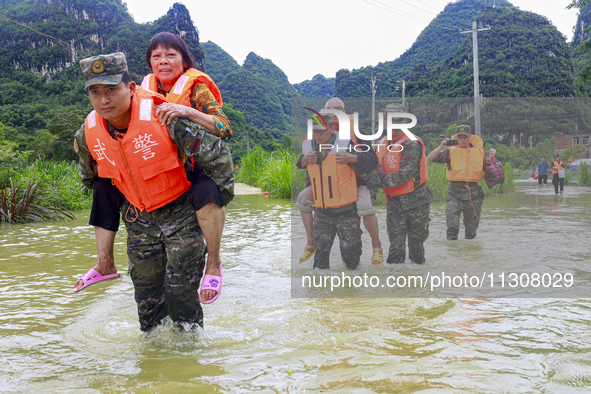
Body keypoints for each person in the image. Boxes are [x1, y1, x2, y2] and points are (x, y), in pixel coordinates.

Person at [73, 52, 234, 331]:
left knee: (180, 296)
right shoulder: (86, 134)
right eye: (95, 92)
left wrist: (209, 201)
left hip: (181, 214)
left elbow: (219, 159)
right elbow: (91, 177)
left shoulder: (167, 119)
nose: (104, 100)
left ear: (131, 88)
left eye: (112, 89)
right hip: (139, 221)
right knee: (147, 302)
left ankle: (188, 362)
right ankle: (153, 363)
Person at [295, 97, 383, 266]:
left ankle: (376, 246)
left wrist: (353, 158)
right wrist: (305, 159)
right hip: (325, 186)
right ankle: (310, 242)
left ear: (343, 112)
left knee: (365, 206)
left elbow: (372, 159)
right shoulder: (314, 137)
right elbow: (302, 163)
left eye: (338, 110)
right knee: (302, 198)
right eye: (331, 110)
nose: (335, 113)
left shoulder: (354, 132)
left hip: (354, 181)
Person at [366, 104, 432, 264]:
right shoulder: (381, 144)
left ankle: (416, 283)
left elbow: (404, 175)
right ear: (384, 123)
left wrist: (378, 182)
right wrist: (372, 194)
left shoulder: (412, 144)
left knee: (416, 248)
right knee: (396, 247)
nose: (394, 128)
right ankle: (395, 284)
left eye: (398, 123)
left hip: (417, 203)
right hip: (395, 203)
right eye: (390, 123)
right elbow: (374, 169)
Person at [427, 125, 487, 240]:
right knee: (452, 229)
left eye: (465, 137)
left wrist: (493, 158)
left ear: (470, 137)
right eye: (460, 137)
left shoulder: (478, 151)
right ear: (456, 138)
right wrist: (441, 147)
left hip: (473, 195)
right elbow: (429, 158)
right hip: (454, 194)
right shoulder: (449, 151)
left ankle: (469, 254)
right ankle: (453, 254)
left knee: (471, 232)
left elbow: (489, 170)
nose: (463, 140)